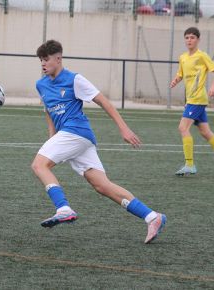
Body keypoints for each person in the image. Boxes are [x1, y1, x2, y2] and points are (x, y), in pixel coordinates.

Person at [31, 40, 166, 244]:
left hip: (76, 131)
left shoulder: (75, 79)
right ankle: (152, 217)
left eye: (46, 59)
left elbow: (104, 102)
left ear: (58, 58)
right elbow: (49, 111)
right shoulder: (41, 84)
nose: (43, 63)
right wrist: (52, 136)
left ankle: (63, 208)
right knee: (102, 186)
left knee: (39, 165)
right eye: (41, 60)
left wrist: (123, 128)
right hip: (73, 138)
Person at [170, 27, 214, 176]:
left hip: (198, 99)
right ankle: (189, 165)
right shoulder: (183, 57)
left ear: (198, 40)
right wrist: (175, 81)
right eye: (187, 37)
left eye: (192, 37)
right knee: (206, 132)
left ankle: (189, 164)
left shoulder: (202, 56)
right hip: (191, 99)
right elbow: (181, 74)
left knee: (183, 128)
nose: (189, 40)